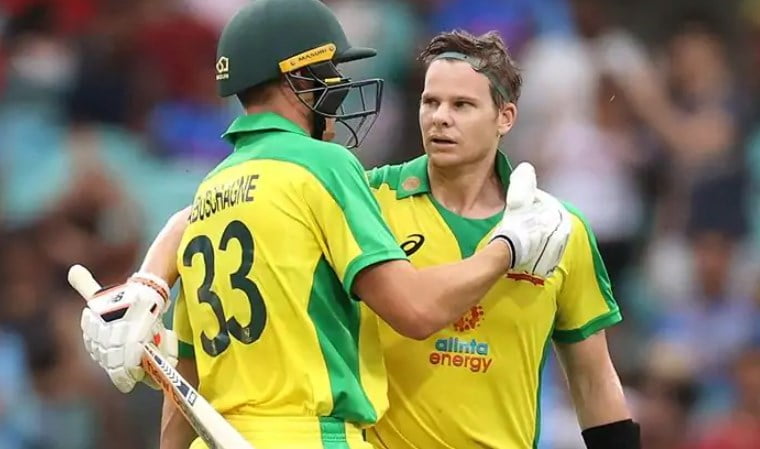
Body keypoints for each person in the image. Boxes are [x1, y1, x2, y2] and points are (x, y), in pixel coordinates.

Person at [67, 2, 570, 449]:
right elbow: (415, 311)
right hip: (313, 436)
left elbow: (187, 381)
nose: (340, 89)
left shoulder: (210, 194)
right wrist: (508, 244)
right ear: (298, 78)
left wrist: (150, 280)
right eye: (330, 73)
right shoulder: (324, 166)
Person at [363, 30, 640, 449]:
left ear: (505, 117)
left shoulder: (560, 228)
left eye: (462, 105)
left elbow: (593, 379)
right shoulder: (370, 200)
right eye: (430, 102)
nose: (440, 117)